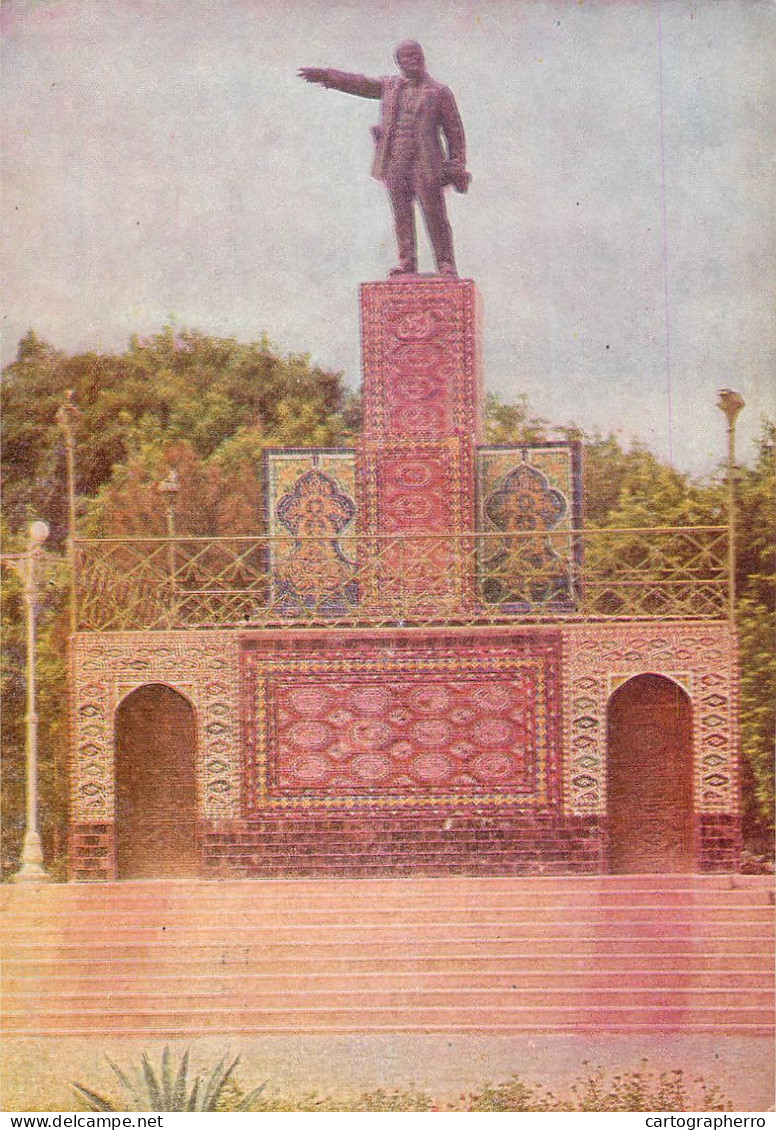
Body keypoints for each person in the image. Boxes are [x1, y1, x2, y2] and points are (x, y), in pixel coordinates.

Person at [300, 41, 470, 277]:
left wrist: (456, 164)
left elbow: (455, 132)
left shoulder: (439, 92)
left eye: (416, 55)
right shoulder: (390, 87)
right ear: (399, 62)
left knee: (434, 213)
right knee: (401, 214)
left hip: (426, 161)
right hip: (395, 160)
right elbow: (359, 83)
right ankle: (407, 262)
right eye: (407, 56)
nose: (413, 59)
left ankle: (445, 263)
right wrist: (328, 76)